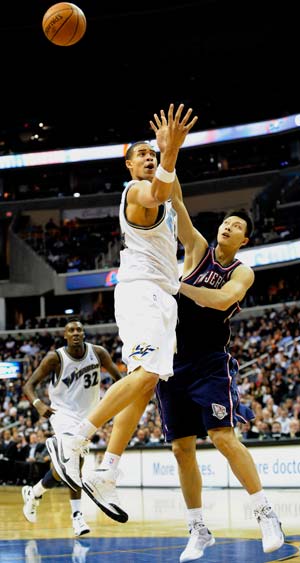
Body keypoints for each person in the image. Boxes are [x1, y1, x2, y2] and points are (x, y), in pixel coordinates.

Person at [45, 103, 198, 520]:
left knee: (143, 384)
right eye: (142, 155)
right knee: (145, 375)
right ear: (128, 166)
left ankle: (106, 472)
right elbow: (161, 192)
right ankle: (73, 440)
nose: (149, 157)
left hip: (163, 298)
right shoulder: (136, 193)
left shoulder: (165, 187)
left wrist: (172, 150)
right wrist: (168, 154)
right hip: (140, 292)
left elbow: (176, 199)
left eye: (152, 153)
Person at [154, 176, 284, 561]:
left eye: (238, 226)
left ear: (245, 240)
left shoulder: (243, 272)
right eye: (227, 222)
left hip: (210, 362)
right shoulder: (196, 248)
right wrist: (169, 155)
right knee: (180, 448)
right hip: (173, 360)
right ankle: (198, 528)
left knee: (223, 437)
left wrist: (181, 287)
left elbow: (223, 299)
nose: (228, 226)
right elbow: (176, 201)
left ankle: (266, 514)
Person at [22, 317, 122, 536]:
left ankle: (35, 492)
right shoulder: (55, 358)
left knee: (64, 469)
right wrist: (39, 404)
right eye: (71, 330)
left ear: (83, 333)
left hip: (89, 418)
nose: (76, 332)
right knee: (74, 464)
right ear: (65, 336)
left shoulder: (99, 353)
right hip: (62, 415)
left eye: (79, 329)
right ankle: (77, 517)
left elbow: (119, 379)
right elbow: (28, 385)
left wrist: (114, 404)